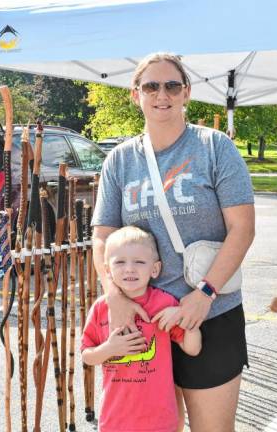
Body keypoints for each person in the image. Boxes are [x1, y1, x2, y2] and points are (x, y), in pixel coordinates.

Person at [92, 52, 255, 432]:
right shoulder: (119, 161)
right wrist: (113, 296)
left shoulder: (214, 147)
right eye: (151, 85)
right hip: (144, 321)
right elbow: (102, 236)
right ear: (136, 95)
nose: (161, 94)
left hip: (209, 315)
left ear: (187, 93)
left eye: (171, 85)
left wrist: (204, 294)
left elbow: (243, 228)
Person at [82, 226, 202, 432]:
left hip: (160, 420)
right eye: (120, 262)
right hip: (114, 420)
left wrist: (186, 319)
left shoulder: (164, 304)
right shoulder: (101, 308)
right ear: (108, 270)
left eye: (139, 262)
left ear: (154, 269)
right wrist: (111, 349)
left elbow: (192, 348)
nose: (129, 268)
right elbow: (87, 356)